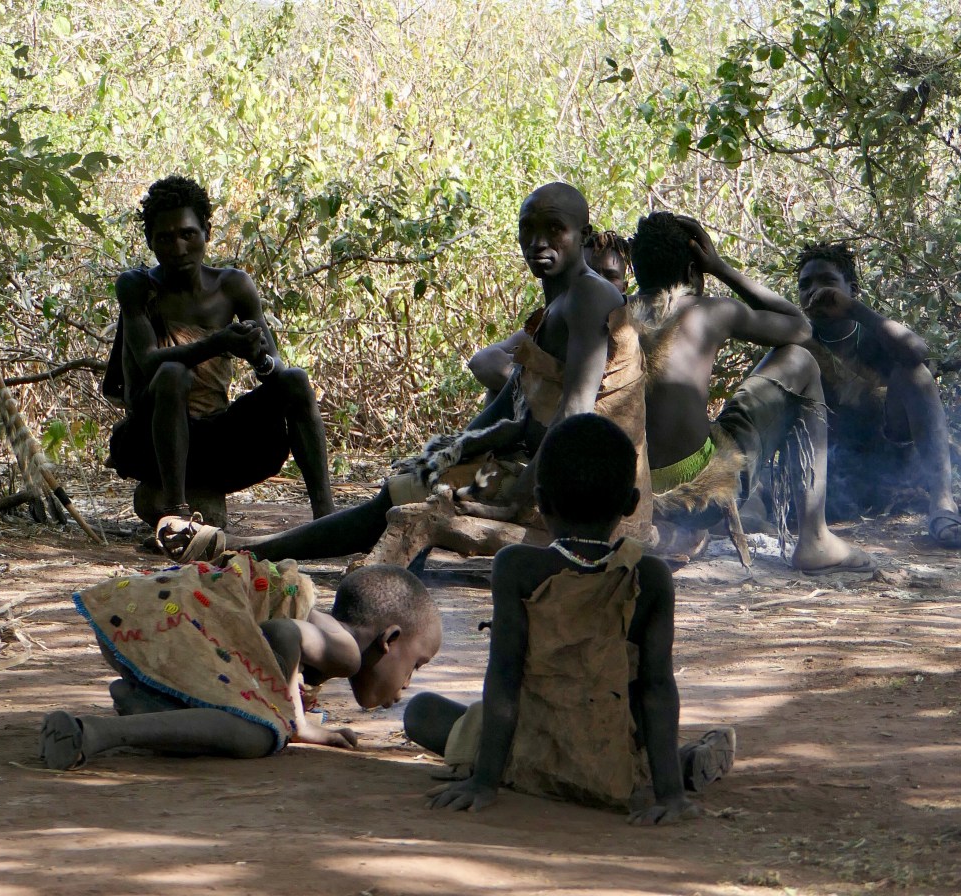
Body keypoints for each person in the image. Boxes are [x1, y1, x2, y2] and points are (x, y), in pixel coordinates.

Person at [158, 183, 653, 564]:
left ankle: (244, 552)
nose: (538, 241)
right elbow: (517, 403)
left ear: (583, 235)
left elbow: (576, 414)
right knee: (407, 486)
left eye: (554, 229)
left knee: (402, 504)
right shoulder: (556, 305)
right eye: (528, 229)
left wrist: (517, 500)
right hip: (550, 470)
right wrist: (447, 453)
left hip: (584, 490)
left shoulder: (590, 295)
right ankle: (245, 550)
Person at [405, 414, 724, 822]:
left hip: (531, 748)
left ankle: (513, 773)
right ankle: (677, 767)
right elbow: (657, 687)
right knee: (642, 730)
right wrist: (671, 797)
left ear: (541, 501)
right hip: (614, 759)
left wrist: (483, 782)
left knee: (422, 712)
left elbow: (504, 676)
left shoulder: (516, 567)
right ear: (631, 503)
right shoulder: (651, 576)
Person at [628, 211, 875, 574]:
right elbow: (800, 328)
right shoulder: (710, 311)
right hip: (702, 497)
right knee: (801, 361)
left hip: (631, 496)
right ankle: (816, 540)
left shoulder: (611, 315)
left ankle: (667, 530)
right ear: (694, 271)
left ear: (635, 268)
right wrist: (722, 269)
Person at [39, 563, 441, 769]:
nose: (408, 683)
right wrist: (297, 723)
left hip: (139, 620)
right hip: (168, 625)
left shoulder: (323, 635)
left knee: (243, 712)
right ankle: (92, 733)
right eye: (416, 666)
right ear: (389, 640)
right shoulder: (346, 651)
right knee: (261, 733)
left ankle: (148, 702)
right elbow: (283, 633)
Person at [105, 174, 335, 531]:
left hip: (218, 444)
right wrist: (217, 343)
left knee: (295, 380)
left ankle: (326, 518)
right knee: (171, 373)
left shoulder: (233, 286)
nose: (178, 247)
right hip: (148, 443)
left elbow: (273, 368)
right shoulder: (136, 286)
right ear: (150, 242)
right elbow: (149, 361)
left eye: (188, 234)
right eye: (164, 238)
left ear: (207, 232)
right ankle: (177, 515)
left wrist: (257, 355)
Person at [796, 242, 960, 547]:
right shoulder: (798, 343)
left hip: (893, 468)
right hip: (834, 478)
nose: (816, 291)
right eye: (805, 285)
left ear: (852, 289)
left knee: (916, 374)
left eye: (828, 281)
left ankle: (942, 503)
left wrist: (853, 309)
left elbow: (917, 352)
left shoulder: (876, 336)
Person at [468, 230, 631, 404]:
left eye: (610, 276)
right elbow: (482, 362)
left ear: (624, 287)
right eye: (592, 274)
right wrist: (539, 385)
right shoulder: (554, 322)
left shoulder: (633, 332)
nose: (598, 283)